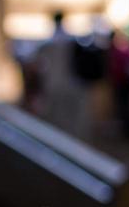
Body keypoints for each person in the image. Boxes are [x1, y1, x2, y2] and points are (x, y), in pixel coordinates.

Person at [35, 11, 91, 140]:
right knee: (70, 117)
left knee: (58, 117)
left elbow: (39, 63)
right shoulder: (72, 40)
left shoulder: (49, 42)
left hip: (55, 84)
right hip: (71, 83)